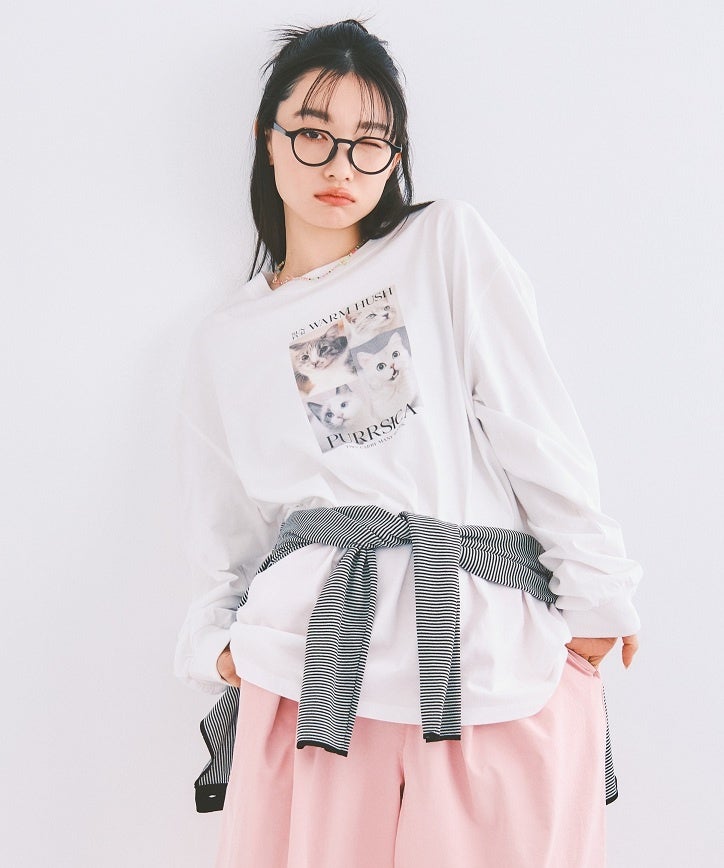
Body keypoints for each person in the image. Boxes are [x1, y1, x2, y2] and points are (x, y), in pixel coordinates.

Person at [174, 18, 642, 868]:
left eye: (369, 142)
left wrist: (596, 590)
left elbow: (534, 425)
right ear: (268, 139)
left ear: (395, 155)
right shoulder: (226, 339)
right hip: (310, 682)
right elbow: (227, 529)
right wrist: (217, 644)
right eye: (312, 134)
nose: (340, 167)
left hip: (487, 664)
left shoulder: (441, 245)